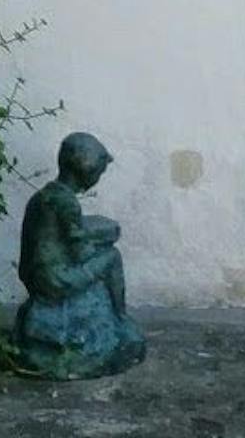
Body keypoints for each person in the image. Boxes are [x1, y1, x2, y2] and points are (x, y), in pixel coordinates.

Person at [14, 131, 146, 378]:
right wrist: (108, 234)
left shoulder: (44, 196)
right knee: (112, 257)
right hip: (55, 280)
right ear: (89, 172)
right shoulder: (67, 203)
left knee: (103, 251)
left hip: (35, 276)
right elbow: (80, 250)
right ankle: (120, 317)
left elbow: (65, 233)